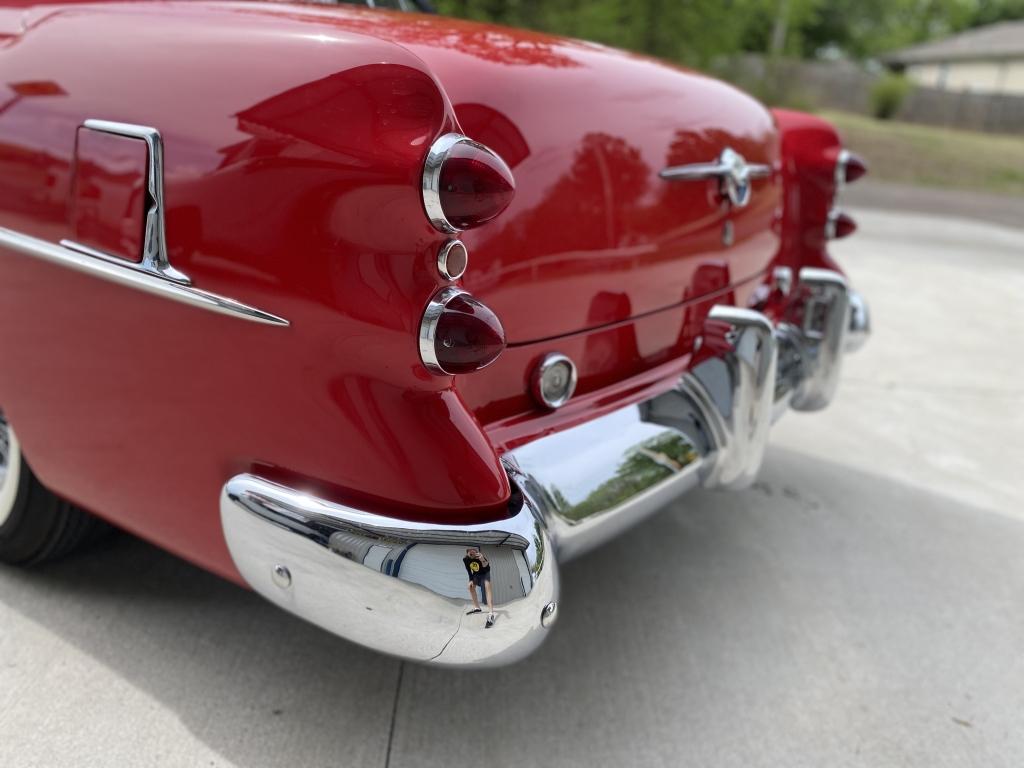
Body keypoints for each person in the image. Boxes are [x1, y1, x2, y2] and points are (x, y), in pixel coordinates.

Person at [463, 546, 496, 628]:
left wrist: (483, 560)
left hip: (485, 573)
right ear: (467, 553)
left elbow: (488, 568)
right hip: (476, 574)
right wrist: (470, 580)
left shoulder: (480, 557)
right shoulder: (465, 559)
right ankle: (477, 607)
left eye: (473, 551)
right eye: (470, 552)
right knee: (470, 587)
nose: (472, 553)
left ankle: (491, 613)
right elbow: (468, 570)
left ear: (476, 552)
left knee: (487, 587)